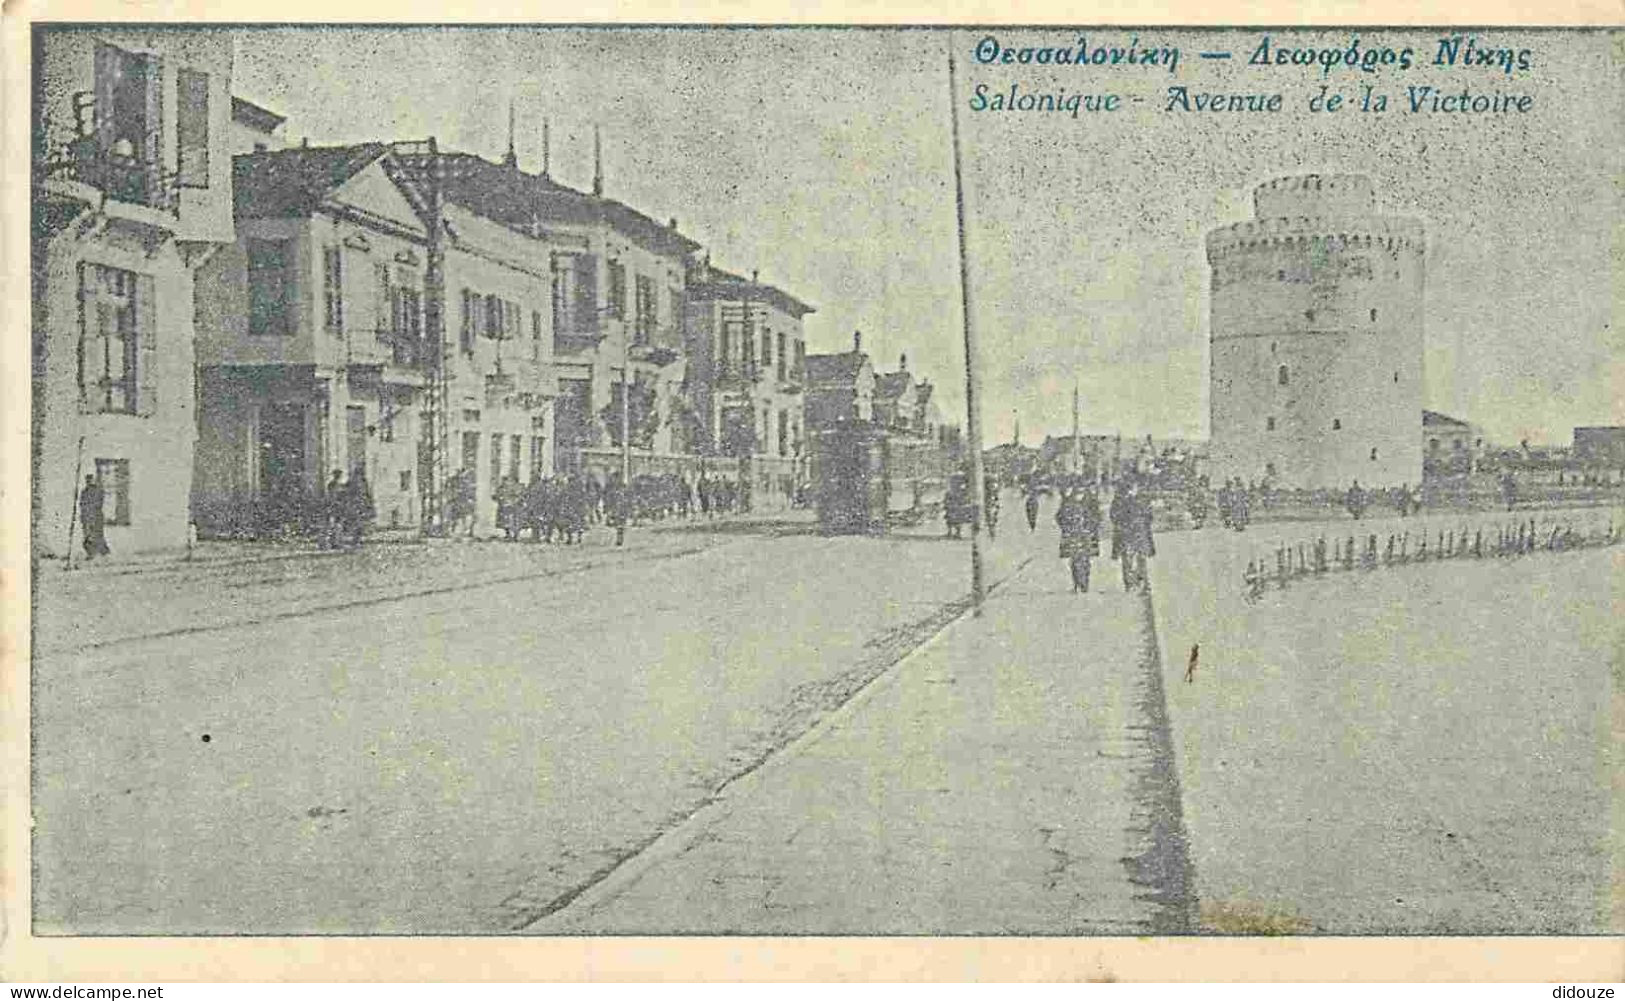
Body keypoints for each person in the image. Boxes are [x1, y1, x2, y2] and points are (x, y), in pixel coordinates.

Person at [78, 473, 109, 559]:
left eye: (90, 480)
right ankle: (91, 553)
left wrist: (91, 513)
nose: (88, 482)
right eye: (87, 480)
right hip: (86, 518)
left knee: (97, 536)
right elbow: (82, 504)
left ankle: (103, 552)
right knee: (87, 537)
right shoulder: (84, 492)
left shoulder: (98, 491)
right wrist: (83, 516)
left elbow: (98, 504)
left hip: (96, 517)